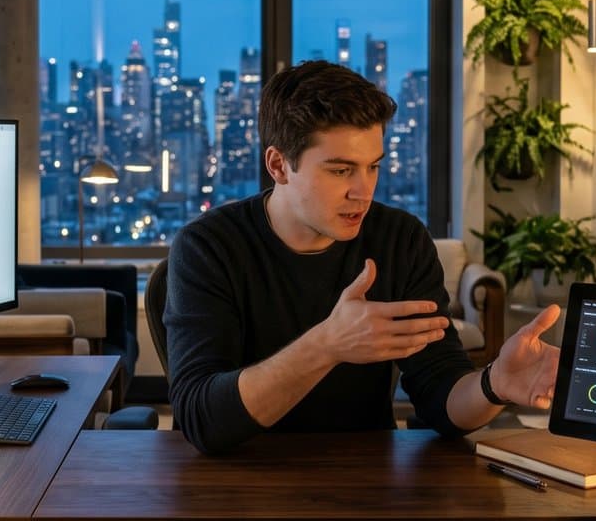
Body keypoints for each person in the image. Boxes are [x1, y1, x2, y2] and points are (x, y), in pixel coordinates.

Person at [163, 60, 564, 455]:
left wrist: (494, 384)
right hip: (229, 488)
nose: (364, 191)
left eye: (372, 167)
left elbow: (441, 396)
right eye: (340, 171)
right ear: (278, 165)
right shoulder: (208, 247)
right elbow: (203, 421)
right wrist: (327, 345)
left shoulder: (399, 239)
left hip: (366, 480)